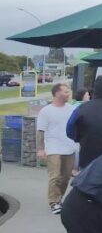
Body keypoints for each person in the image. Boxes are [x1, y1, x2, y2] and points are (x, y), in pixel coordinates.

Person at [36, 83, 78, 214]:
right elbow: (40, 131)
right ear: (57, 93)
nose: (68, 94)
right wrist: (41, 148)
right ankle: (53, 202)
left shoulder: (72, 109)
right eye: (65, 91)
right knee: (55, 176)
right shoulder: (46, 111)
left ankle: (59, 199)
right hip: (53, 147)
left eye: (68, 91)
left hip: (69, 147)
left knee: (65, 177)